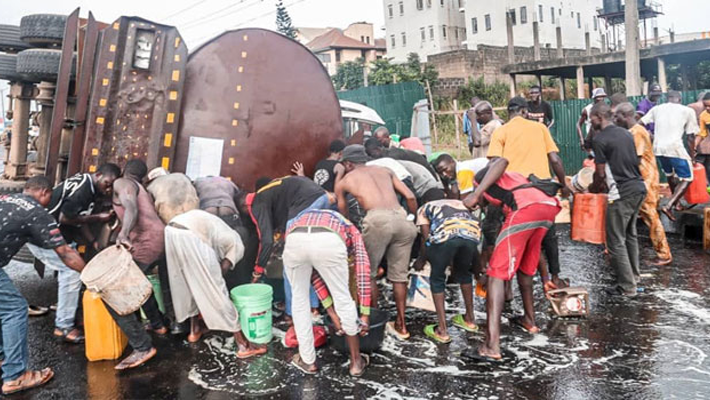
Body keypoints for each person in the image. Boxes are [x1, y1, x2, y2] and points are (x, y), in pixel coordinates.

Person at [462, 158, 560, 361]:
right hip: (547, 208)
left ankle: (491, 345)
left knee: (496, 275)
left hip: (525, 208)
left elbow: (502, 161)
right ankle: (529, 320)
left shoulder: (481, 179)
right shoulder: (512, 183)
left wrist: (475, 194)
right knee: (526, 267)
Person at [0, 177, 86, 394]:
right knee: (15, 309)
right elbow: (65, 252)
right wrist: (90, 276)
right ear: (45, 193)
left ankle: (3, 358)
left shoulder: (7, 197)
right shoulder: (38, 213)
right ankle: (16, 376)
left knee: (3, 306)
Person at [27, 163, 119, 344]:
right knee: (71, 273)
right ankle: (64, 326)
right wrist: (99, 218)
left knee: (74, 272)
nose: (108, 189)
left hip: (57, 237)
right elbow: (66, 218)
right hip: (43, 237)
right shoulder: (84, 189)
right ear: (98, 174)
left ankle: (69, 315)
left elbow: (80, 219)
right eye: (107, 183)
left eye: (112, 187)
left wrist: (92, 241)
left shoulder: (89, 187)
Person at [335, 145, 418, 340]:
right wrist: (411, 217)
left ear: (348, 163)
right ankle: (401, 325)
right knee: (399, 276)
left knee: (368, 273)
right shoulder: (386, 171)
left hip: (377, 220)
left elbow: (343, 212)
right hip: (402, 218)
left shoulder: (346, 180)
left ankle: (373, 320)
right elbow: (410, 196)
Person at [488, 96, 571, 289]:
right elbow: (555, 159)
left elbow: (493, 165)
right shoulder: (540, 128)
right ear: (525, 111)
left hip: (513, 193)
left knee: (507, 237)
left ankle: (505, 284)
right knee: (548, 237)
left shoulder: (501, 131)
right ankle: (554, 277)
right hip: (542, 191)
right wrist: (563, 185)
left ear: (509, 112)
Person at [164, 209, 266, 358]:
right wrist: (216, 277)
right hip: (191, 234)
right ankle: (243, 344)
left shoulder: (218, 227)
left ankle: (194, 330)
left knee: (188, 284)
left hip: (171, 231)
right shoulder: (235, 242)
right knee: (217, 290)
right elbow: (223, 268)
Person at [283, 209, 371, 376]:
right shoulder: (351, 228)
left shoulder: (303, 218)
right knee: (343, 296)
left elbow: (314, 276)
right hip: (329, 242)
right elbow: (362, 271)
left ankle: (308, 362)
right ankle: (356, 362)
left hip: (294, 240)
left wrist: (332, 313)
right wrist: (365, 313)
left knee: (300, 299)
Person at [238, 176, 328, 319]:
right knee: (305, 260)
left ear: (244, 206)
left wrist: (257, 271)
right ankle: (313, 307)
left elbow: (266, 240)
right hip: (321, 197)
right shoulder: (268, 193)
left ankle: (292, 313)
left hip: (306, 203)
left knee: (291, 265)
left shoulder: (256, 203)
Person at [109, 160, 165, 369]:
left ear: (124, 171)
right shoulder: (142, 187)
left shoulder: (122, 183)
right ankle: (158, 324)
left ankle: (142, 347)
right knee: (137, 282)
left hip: (146, 243)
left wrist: (123, 234)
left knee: (116, 295)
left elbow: (131, 206)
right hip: (158, 239)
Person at [589, 103, 647, 296]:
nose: (590, 121)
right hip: (638, 187)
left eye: (591, 118)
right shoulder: (625, 133)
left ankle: (627, 286)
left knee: (615, 241)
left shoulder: (600, 139)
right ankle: (634, 277)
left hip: (621, 193)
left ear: (598, 116)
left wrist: (592, 189)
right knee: (630, 235)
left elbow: (599, 173)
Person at [413, 199, 481, 344]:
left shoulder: (424, 208)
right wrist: (478, 270)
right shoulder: (460, 203)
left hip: (445, 236)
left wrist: (422, 260)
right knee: (464, 274)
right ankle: (470, 319)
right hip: (471, 235)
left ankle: (442, 330)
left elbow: (427, 240)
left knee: (437, 278)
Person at [615, 103, 672, 266]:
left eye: (616, 116)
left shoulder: (637, 133)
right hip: (643, 179)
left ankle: (664, 254)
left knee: (651, 217)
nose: (615, 119)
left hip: (645, 180)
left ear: (625, 115)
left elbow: (635, 159)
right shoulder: (633, 132)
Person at [640, 91, 700, 220]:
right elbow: (690, 136)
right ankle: (669, 205)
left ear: (667, 99)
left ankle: (677, 203)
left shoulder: (657, 109)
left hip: (658, 148)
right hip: (675, 148)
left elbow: (640, 122)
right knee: (688, 178)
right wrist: (692, 156)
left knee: (670, 175)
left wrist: (650, 136)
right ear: (680, 98)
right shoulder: (687, 111)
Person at [365, 137, 438, 179]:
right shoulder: (389, 153)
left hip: (427, 177)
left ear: (378, 149)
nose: (371, 156)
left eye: (370, 154)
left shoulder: (392, 157)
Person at [693, 92, 710, 186]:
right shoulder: (704, 115)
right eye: (705, 106)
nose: (707, 108)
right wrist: (694, 146)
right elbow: (702, 133)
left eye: (709, 106)